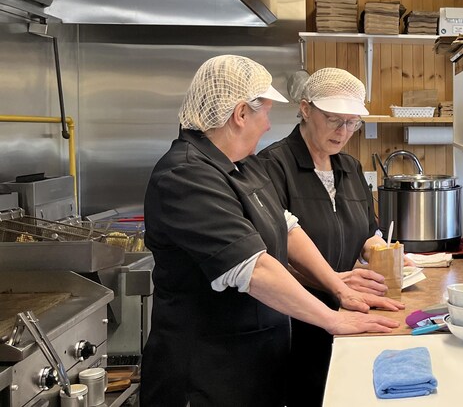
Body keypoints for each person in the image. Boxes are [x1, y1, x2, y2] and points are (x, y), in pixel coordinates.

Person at [141, 55, 401, 407]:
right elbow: (254, 268)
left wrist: (339, 287)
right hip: (206, 374)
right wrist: (333, 320)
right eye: (264, 112)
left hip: (254, 362)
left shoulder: (241, 164)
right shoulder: (186, 176)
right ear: (240, 114)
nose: (267, 126)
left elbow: (287, 227)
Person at [259, 68, 398, 406]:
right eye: (335, 119)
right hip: (294, 316)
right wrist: (333, 282)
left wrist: (388, 253)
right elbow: (268, 255)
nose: (344, 132)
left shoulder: (349, 168)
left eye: (353, 123)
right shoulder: (272, 166)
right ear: (306, 109)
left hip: (348, 309)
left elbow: (366, 232)